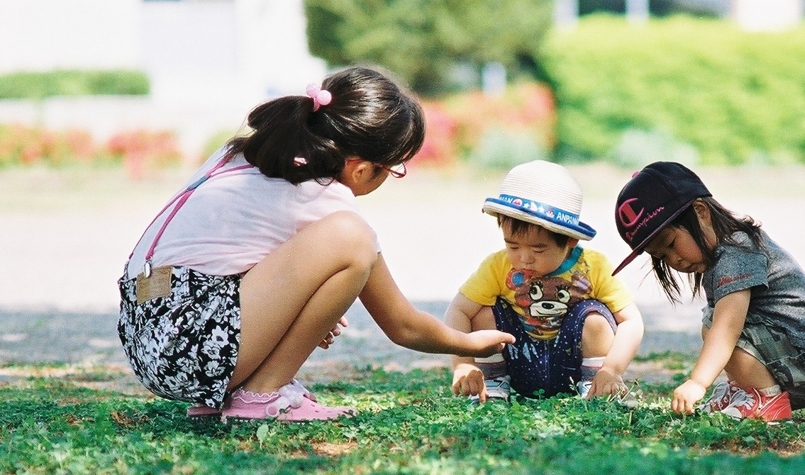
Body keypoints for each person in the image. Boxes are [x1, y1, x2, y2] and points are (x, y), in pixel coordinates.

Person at [117, 66, 513, 422]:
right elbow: (402, 325)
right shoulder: (323, 198)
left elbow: (225, 259)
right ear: (360, 168)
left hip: (147, 334)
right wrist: (467, 342)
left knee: (343, 243)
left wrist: (303, 308)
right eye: (395, 169)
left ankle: (229, 395)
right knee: (353, 239)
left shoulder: (244, 155)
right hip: (187, 348)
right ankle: (260, 395)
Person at [612, 161, 805, 421]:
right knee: (711, 321)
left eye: (671, 244)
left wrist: (697, 382)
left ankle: (765, 399)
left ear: (700, 212)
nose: (673, 260)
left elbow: (727, 329)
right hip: (796, 357)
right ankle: (747, 390)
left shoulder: (736, 252)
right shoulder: (722, 253)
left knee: (717, 324)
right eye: (662, 256)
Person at [445, 160, 644, 404]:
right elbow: (458, 310)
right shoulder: (497, 266)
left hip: (573, 365)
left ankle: (596, 385)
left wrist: (612, 369)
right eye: (513, 245)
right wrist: (463, 364)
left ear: (570, 240)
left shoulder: (594, 267)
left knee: (595, 318)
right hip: (518, 359)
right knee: (480, 311)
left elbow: (632, 321)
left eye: (538, 249)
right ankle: (493, 381)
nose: (524, 258)